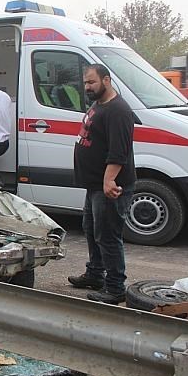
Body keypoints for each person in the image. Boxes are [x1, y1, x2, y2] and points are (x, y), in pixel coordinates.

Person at [68, 64, 135, 305]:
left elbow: (119, 152)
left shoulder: (118, 110)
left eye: (91, 83)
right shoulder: (100, 104)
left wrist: (109, 180)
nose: (87, 87)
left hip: (109, 187)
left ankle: (115, 287)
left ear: (106, 80)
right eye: (85, 83)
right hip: (95, 185)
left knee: (107, 236)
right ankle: (95, 274)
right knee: (90, 228)